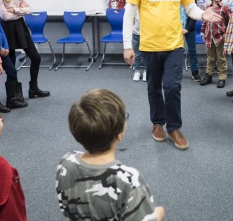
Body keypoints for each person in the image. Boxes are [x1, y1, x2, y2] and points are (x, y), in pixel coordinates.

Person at [122, 0, 221, 150]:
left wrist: (204, 15)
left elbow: (190, 8)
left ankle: (174, 127)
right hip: (148, 46)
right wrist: (127, 46)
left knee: (173, 86)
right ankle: (158, 123)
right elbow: (129, 14)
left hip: (174, 45)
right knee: (154, 88)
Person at [56, 89, 165, 221]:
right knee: (160, 211)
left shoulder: (66, 162)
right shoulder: (129, 178)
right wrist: (159, 214)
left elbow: (65, 208)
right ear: (119, 134)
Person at [0, 0, 50, 98]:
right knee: (11, 63)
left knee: (36, 58)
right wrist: (20, 11)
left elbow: (30, 9)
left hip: (20, 26)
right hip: (7, 29)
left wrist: (14, 10)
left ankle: (33, 88)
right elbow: (4, 16)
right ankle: (14, 94)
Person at [200, 0, 231, 88]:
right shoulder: (207, 8)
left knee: (221, 58)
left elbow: (229, 21)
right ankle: (208, 76)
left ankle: (222, 77)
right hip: (209, 37)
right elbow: (205, 21)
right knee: (210, 58)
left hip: (220, 37)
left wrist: (227, 34)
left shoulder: (224, 8)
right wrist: (202, 32)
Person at [180, 0, 200, 82]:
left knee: (192, 50)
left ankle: (195, 72)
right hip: (175, 29)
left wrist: (187, 29)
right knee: (175, 52)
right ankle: (175, 71)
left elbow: (193, 15)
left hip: (189, 28)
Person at [132, 12, 146, 82]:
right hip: (136, 34)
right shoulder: (135, 8)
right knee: (137, 54)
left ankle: (145, 71)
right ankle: (137, 71)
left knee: (146, 55)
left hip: (147, 34)